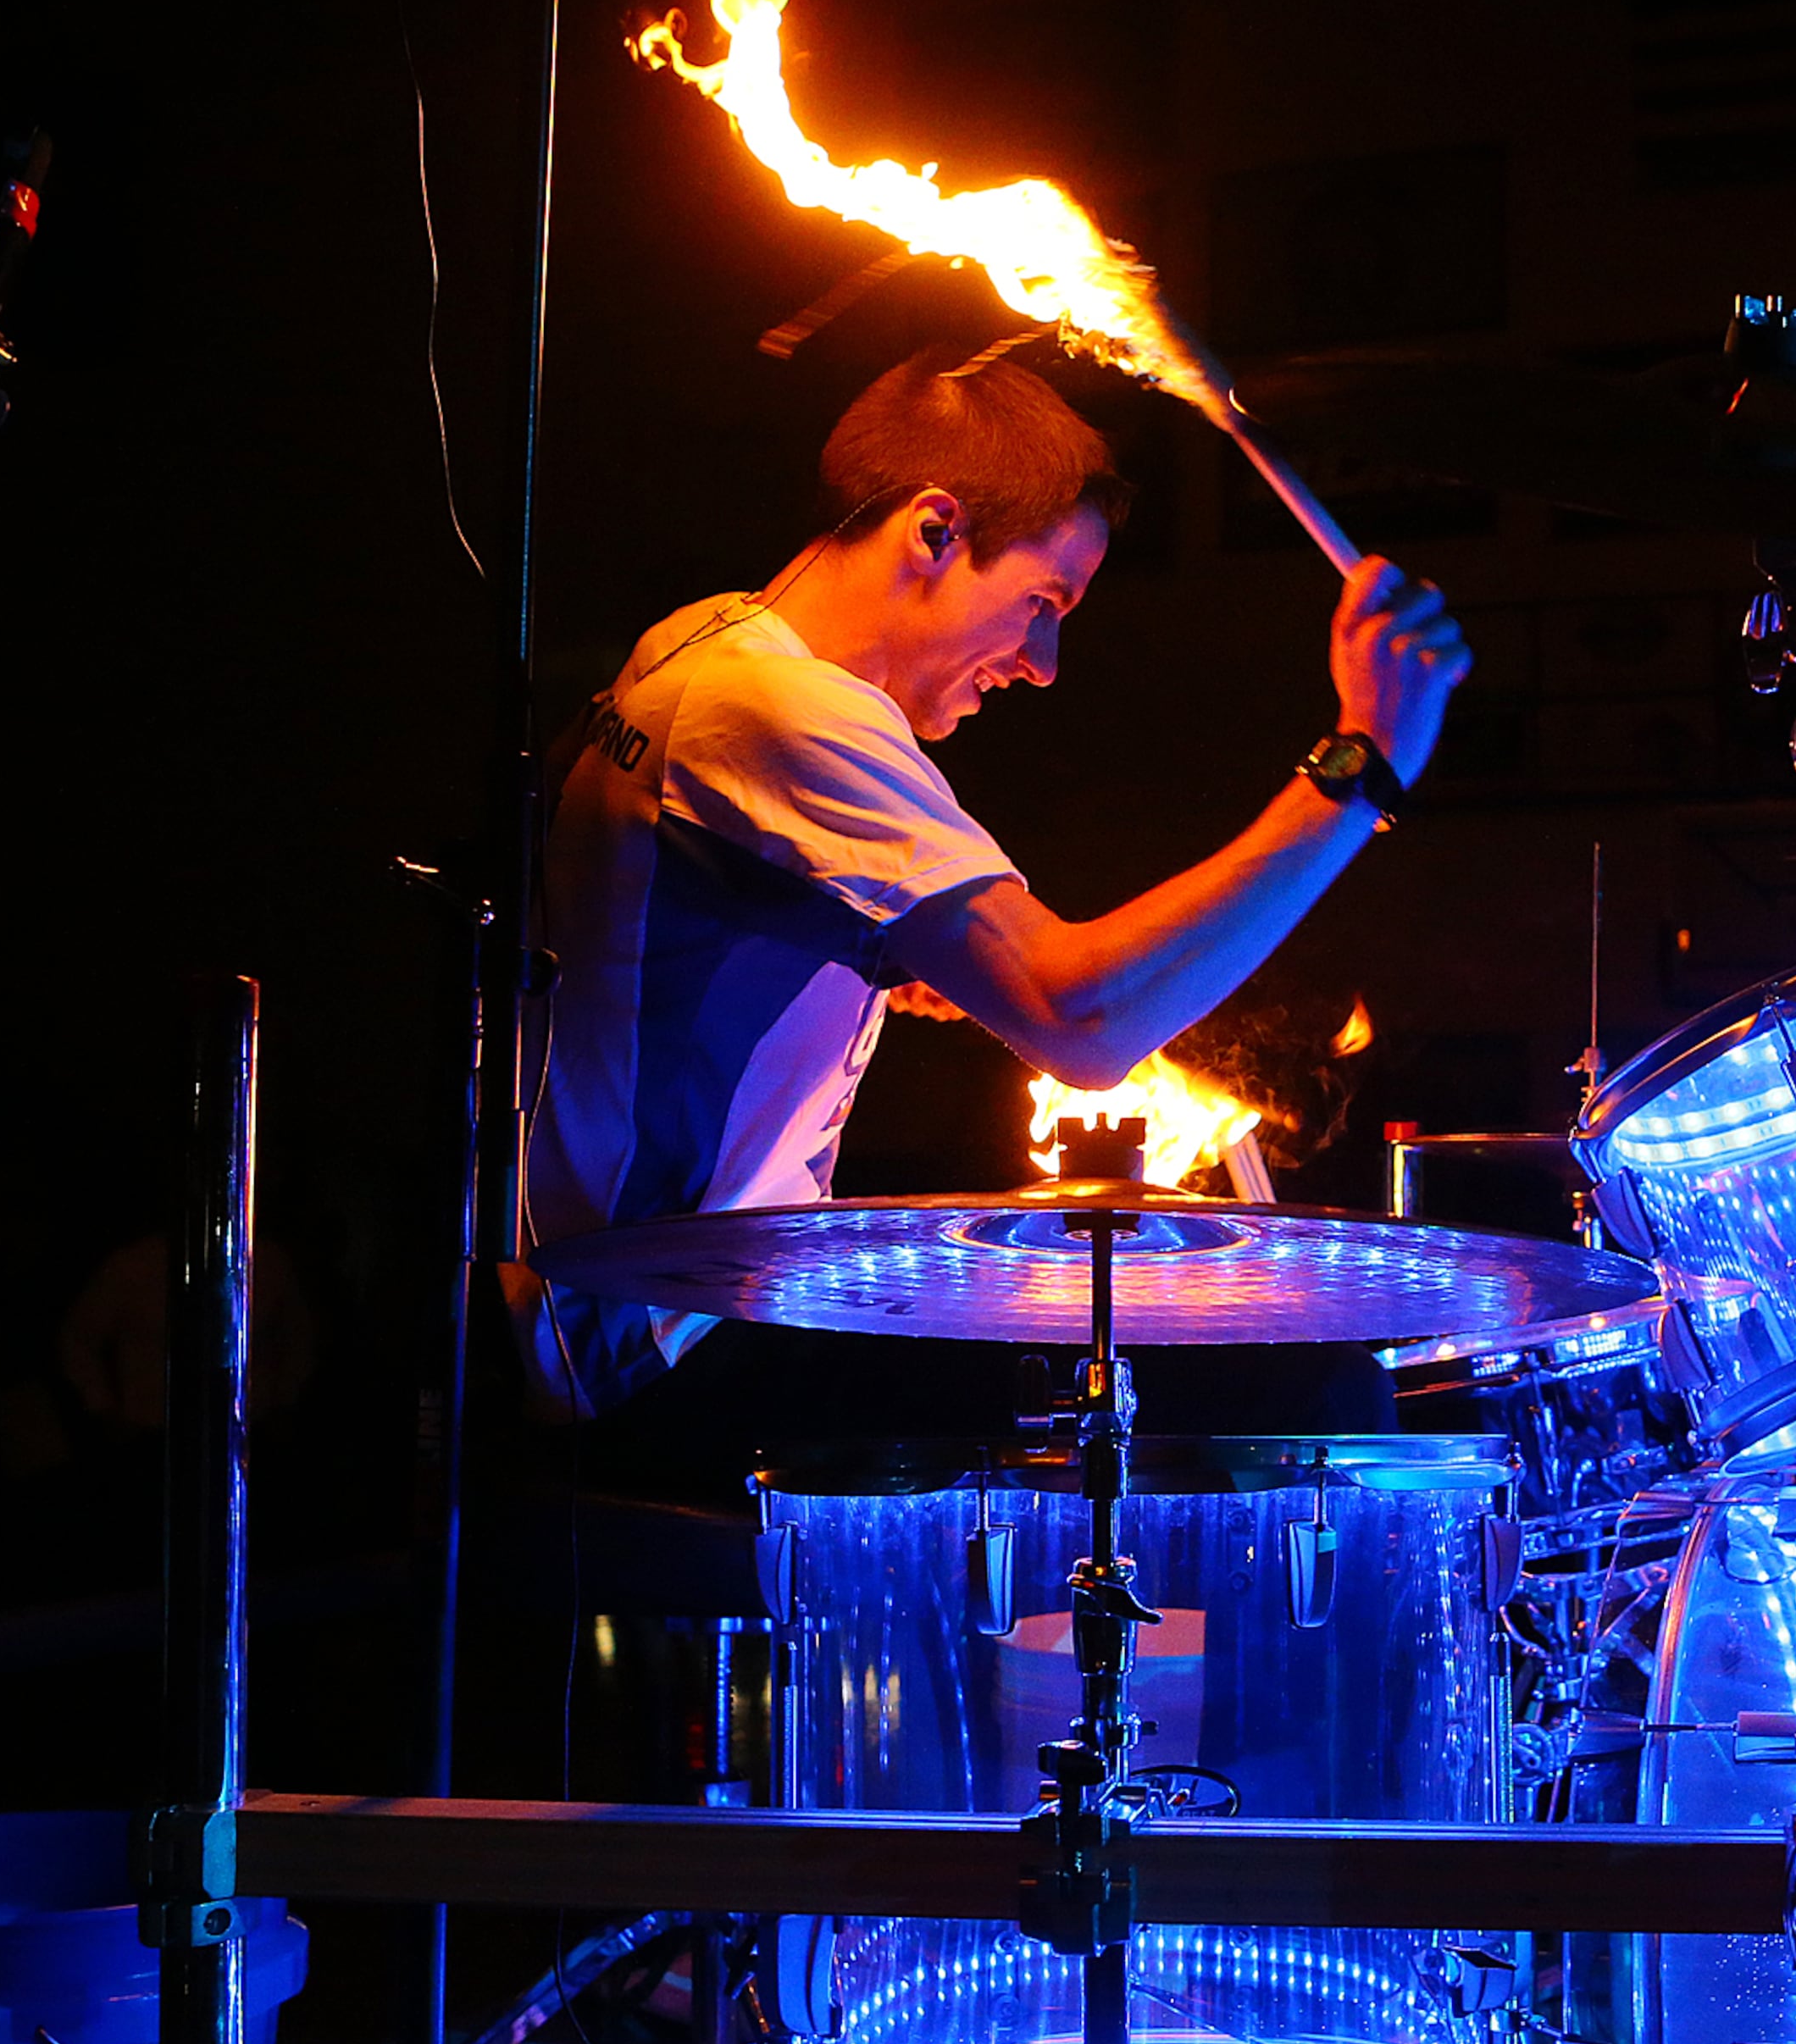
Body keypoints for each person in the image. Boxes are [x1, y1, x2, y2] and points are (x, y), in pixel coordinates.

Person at [506, 351, 1471, 1467]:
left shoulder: (700, 642)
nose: (1044, 663)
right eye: (1042, 604)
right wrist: (1361, 771)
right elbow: (1084, 1021)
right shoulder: (780, 708)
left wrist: (864, 955)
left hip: (634, 1320)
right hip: (655, 1363)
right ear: (933, 532)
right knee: (1313, 1383)